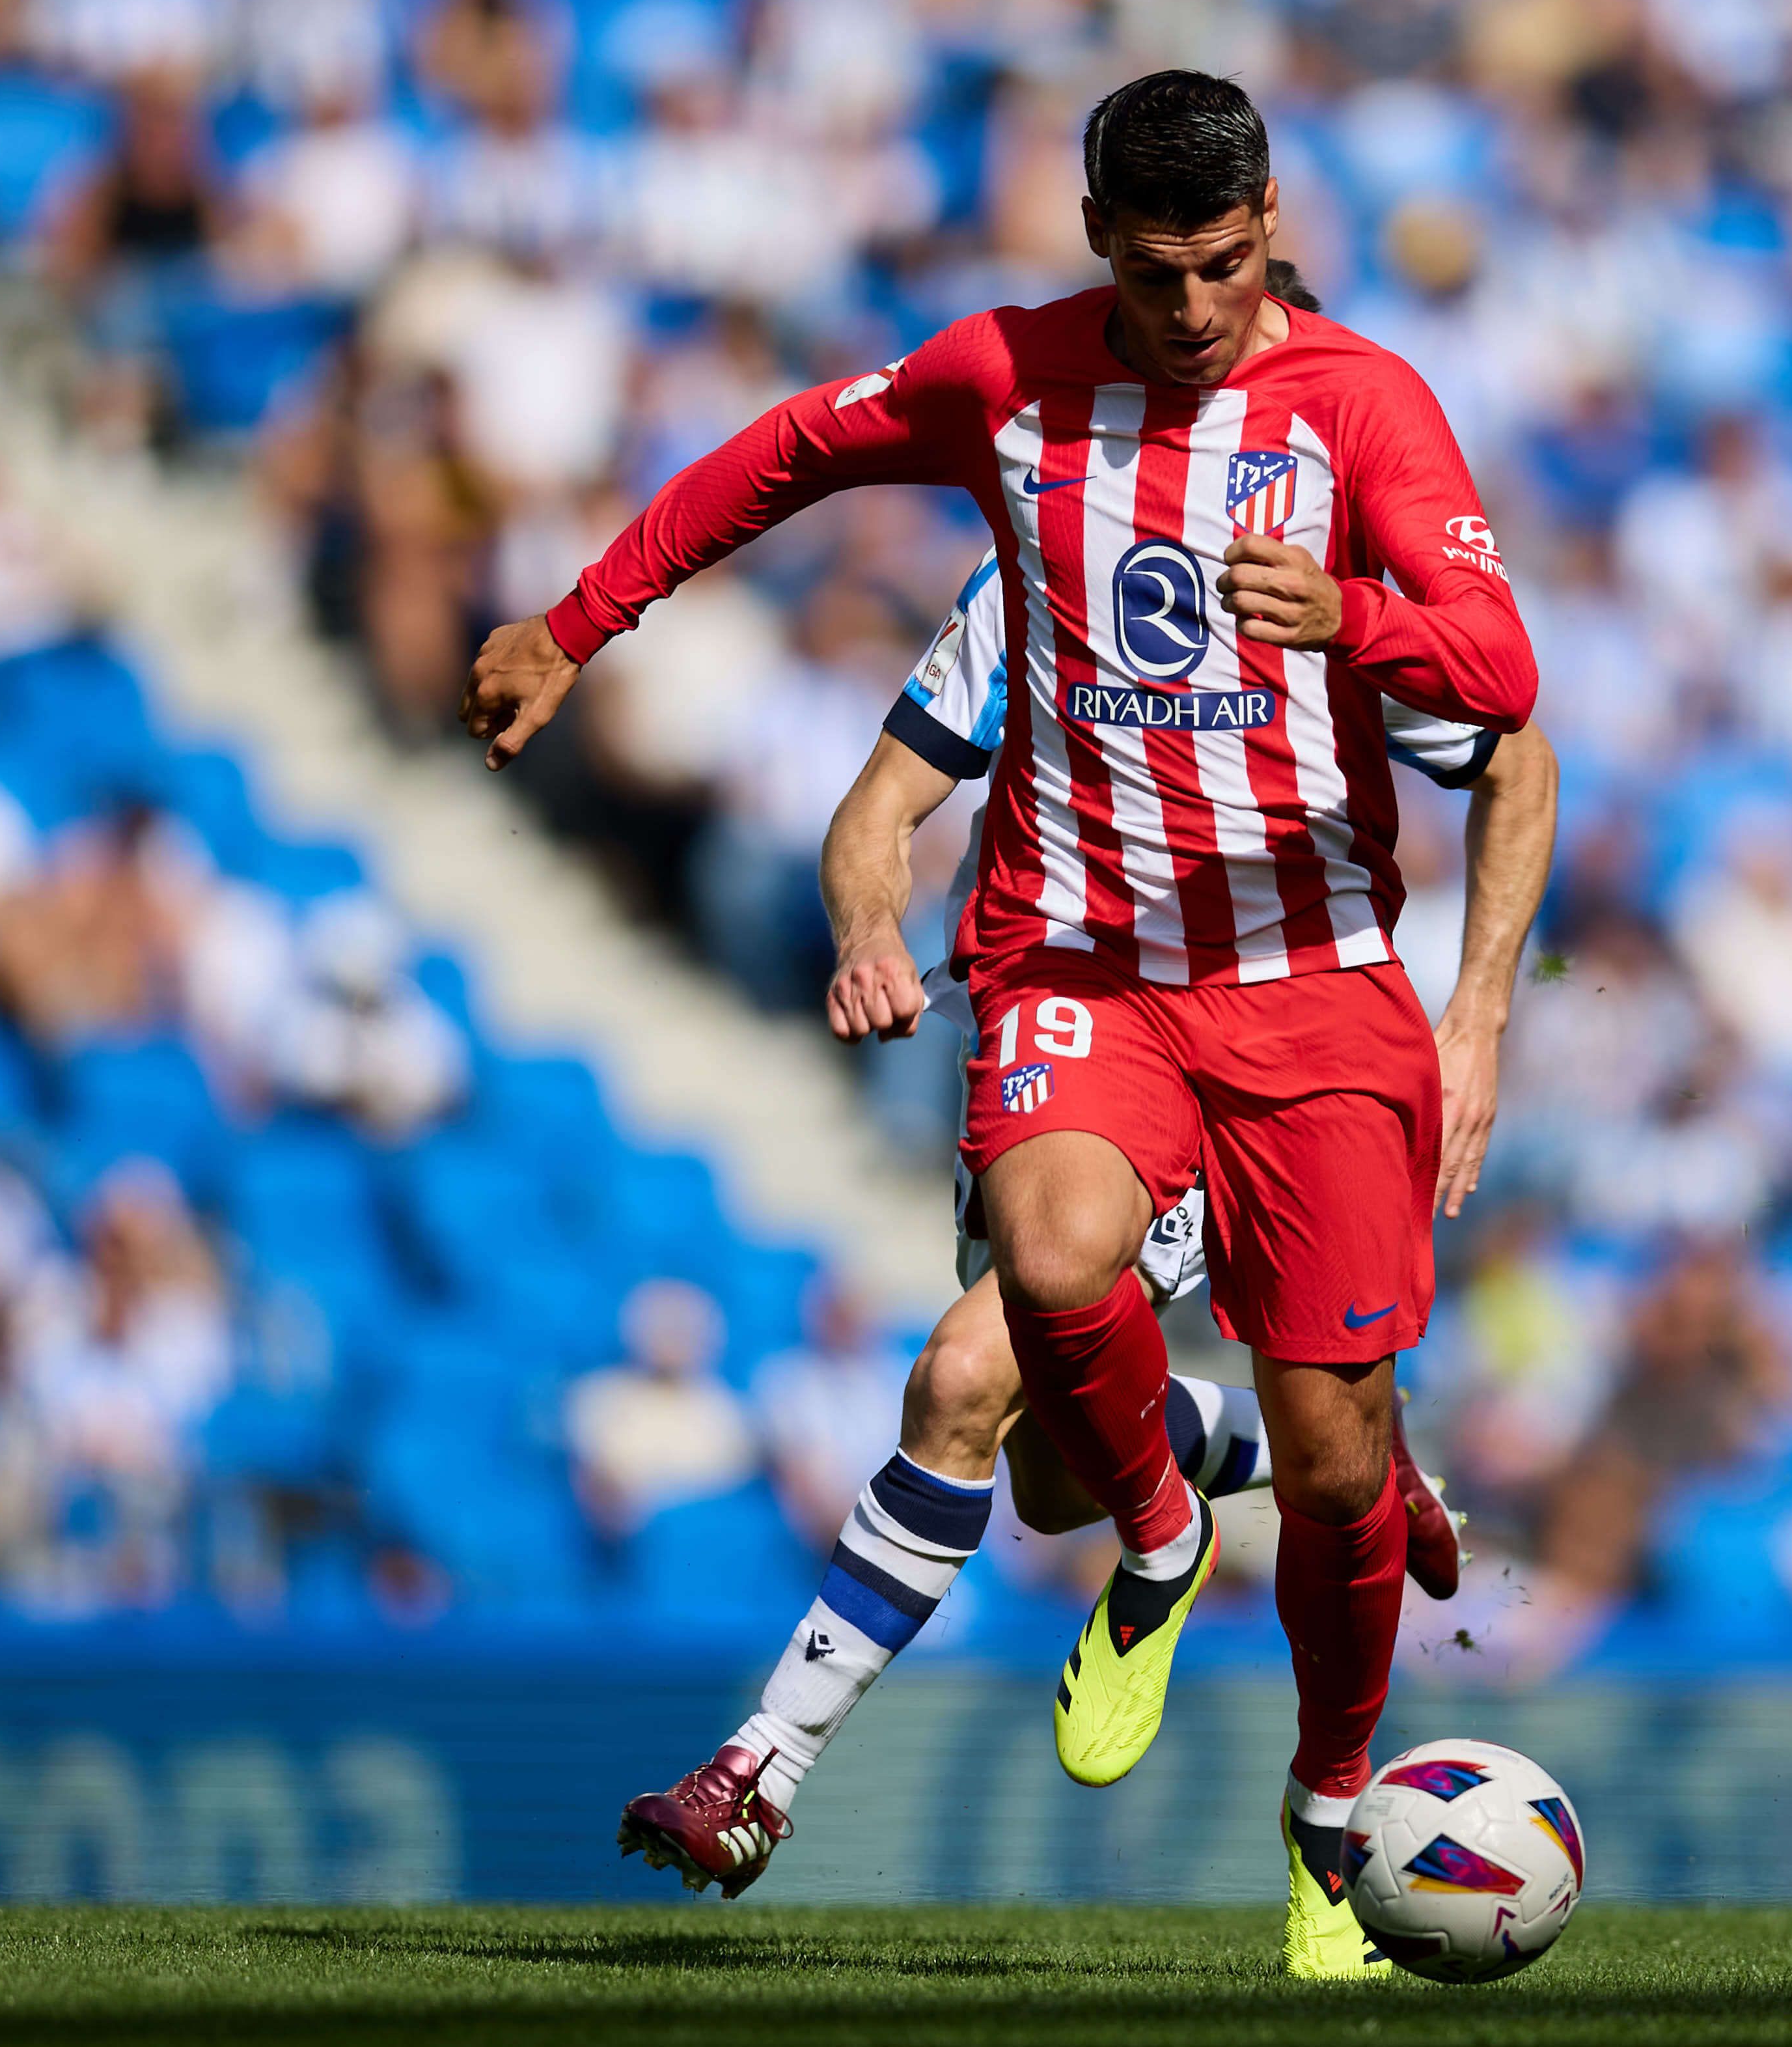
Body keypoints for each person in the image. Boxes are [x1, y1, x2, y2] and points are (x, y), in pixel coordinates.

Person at [471, 72, 1539, 1976]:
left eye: (1223, 266)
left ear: (1270, 220)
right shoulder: (1009, 387)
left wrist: (1358, 623)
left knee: (1337, 1459)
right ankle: (1152, 1542)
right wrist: (578, 619)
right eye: (1154, 271)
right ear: (1093, 240)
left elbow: (1506, 678)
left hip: (1310, 988)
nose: (1194, 307)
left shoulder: (1365, 408)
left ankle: (1323, 1826)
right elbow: (788, 453)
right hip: (1080, 971)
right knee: (1045, 1294)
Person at [622, 515, 1556, 1904]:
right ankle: (1331, 1443)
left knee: (957, 1376)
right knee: (1053, 1474)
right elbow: (877, 808)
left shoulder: (1316, 589)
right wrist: (868, 927)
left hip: (1238, 1053)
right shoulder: (1040, 570)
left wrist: (1478, 1007)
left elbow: (1514, 757)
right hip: (1056, 1031)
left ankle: (761, 1764)